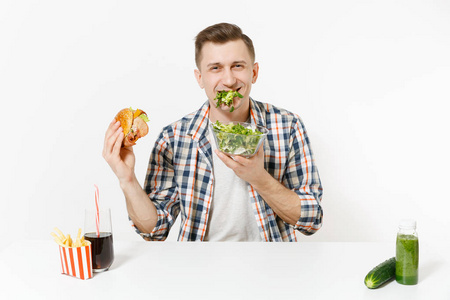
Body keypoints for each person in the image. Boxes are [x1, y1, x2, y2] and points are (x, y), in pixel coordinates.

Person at [103, 23, 323, 242]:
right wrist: (127, 179)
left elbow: (311, 220)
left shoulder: (287, 126)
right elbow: (154, 230)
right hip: (199, 270)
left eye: (237, 66)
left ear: (253, 72)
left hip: (270, 269)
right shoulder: (173, 138)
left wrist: (259, 178)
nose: (228, 80)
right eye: (215, 68)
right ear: (200, 78)